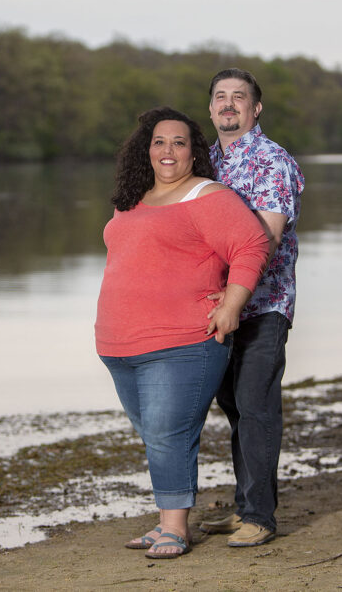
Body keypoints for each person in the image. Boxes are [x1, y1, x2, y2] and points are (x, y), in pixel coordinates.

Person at [95, 106, 269, 559]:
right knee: (155, 433)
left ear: (194, 153)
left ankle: (174, 527)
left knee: (169, 431)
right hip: (120, 343)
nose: (167, 150)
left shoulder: (207, 196)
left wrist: (232, 303)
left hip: (182, 341)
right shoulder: (130, 199)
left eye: (179, 142)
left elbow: (252, 244)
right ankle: (168, 521)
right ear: (145, 150)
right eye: (159, 142)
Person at [199, 68, 305, 547]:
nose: (228, 104)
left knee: (256, 405)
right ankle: (244, 505)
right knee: (233, 406)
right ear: (210, 108)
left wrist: (236, 294)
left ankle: (260, 516)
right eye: (221, 97)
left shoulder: (270, 161)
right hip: (215, 307)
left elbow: (265, 240)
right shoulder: (206, 165)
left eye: (239, 97)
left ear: (255, 108)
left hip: (263, 305)